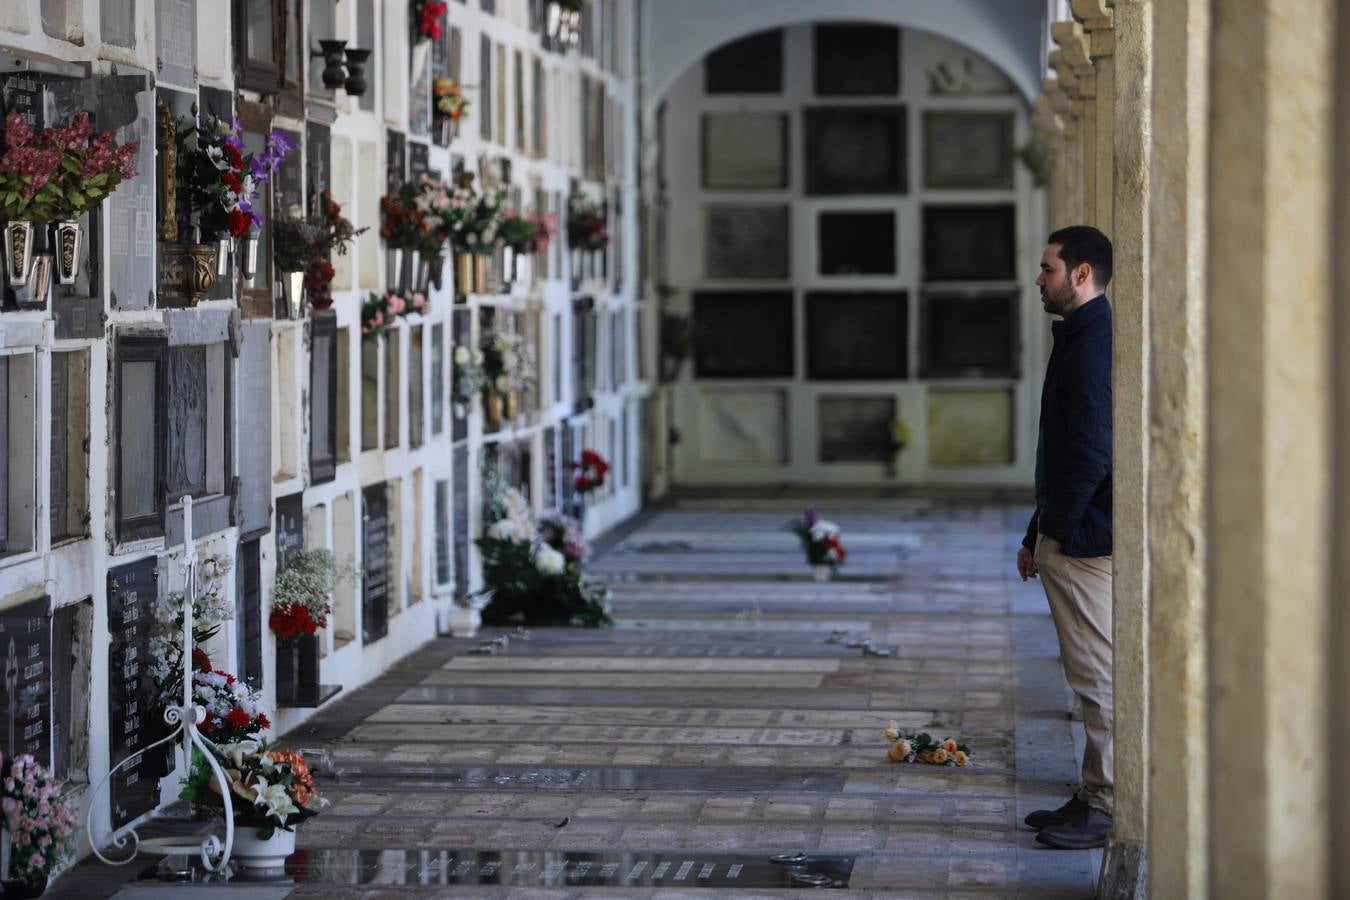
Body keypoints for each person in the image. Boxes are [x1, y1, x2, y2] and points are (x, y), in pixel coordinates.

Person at [1017, 225, 1115, 850]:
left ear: (1081, 274)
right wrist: (1036, 528)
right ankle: (1091, 793)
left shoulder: (1091, 343)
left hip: (1084, 539)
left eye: (1048, 268)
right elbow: (1059, 452)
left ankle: (1108, 806)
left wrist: (1053, 530)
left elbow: (1091, 451)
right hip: (1069, 529)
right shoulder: (1080, 335)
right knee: (1089, 673)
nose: (1039, 278)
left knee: (1097, 674)